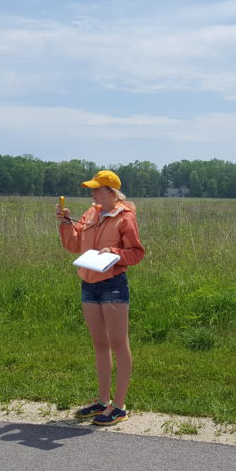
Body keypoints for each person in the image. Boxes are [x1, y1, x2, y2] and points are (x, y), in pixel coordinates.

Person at [57, 170, 145, 426]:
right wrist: (65, 223)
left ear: (112, 192)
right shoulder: (90, 214)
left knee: (118, 343)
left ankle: (119, 406)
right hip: (89, 283)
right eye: (92, 189)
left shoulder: (125, 217)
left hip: (113, 284)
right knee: (99, 343)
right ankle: (102, 401)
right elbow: (74, 246)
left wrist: (114, 252)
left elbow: (137, 252)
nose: (93, 193)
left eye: (97, 189)